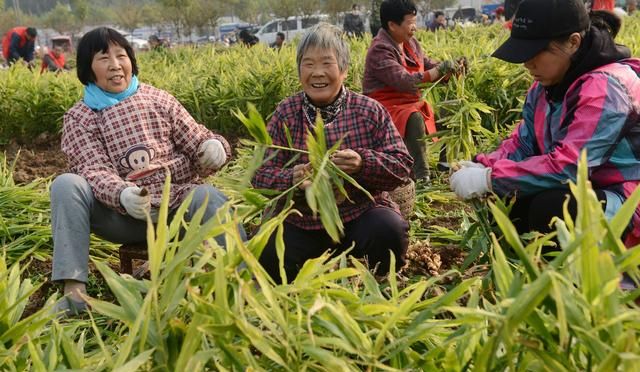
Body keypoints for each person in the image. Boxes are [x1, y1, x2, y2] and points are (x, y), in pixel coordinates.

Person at [50, 27, 244, 316]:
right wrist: (122, 194)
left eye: (121, 55)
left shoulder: (158, 99)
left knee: (210, 197)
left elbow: (196, 139)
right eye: (104, 58)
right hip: (122, 216)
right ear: (88, 70)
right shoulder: (80, 117)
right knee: (66, 184)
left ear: (131, 60)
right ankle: (74, 293)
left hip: (174, 206)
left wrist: (214, 146)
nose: (115, 65)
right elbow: (93, 169)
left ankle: (240, 280)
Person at [449, 0, 640, 248]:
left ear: (573, 42)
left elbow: (568, 167)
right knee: (506, 203)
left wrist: (488, 178)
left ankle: (573, 282)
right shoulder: (545, 87)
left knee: (552, 211)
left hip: (625, 198)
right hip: (584, 188)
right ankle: (528, 273)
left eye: (535, 53)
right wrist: (484, 164)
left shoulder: (606, 88)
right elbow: (524, 143)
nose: (527, 63)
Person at [252, 23, 413, 284]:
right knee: (267, 250)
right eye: (308, 64)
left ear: (345, 70)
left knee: (388, 230)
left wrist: (362, 163)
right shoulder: (285, 114)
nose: (317, 73)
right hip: (302, 220)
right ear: (299, 70)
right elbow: (259, 175)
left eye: (327, 63)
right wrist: (291, 178)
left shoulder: (369, 111)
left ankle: (380, 280)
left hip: (358, 215)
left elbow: (403, 165)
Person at [363, 0, 466, 183]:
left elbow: (428, 65)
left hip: (411, 102)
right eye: (410, 23)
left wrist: (453, 68)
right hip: (385, 108)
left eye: (415, 22)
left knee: (452, 110)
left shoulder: (410, 43)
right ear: (392, 25)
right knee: (414, 117)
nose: (415, 28)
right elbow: (404, 81)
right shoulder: (380, 49)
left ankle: (445, 164)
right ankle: (421, 175)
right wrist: (439, 70)